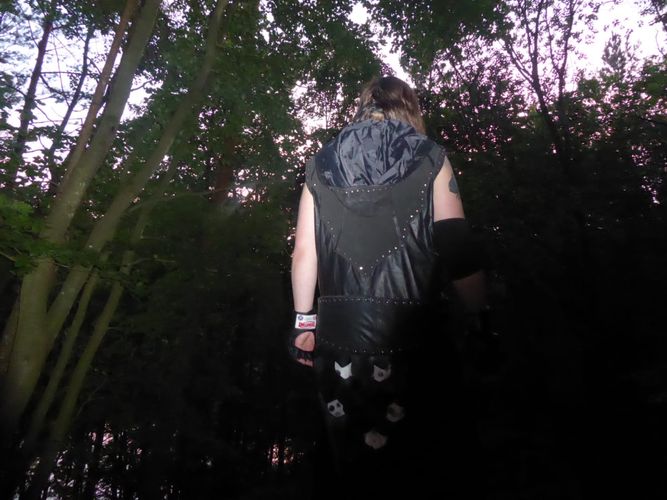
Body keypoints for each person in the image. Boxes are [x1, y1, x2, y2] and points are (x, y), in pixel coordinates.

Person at [288, 76, 488, 498]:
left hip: (339, 344)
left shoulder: (320, 163)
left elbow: (305, 253)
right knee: (420, 465)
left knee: (355, 469)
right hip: (415, 339)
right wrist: (480, 316)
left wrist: (304, 322)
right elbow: (457, 247)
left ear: (362, 107)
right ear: (409, 108)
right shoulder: (430, 157)